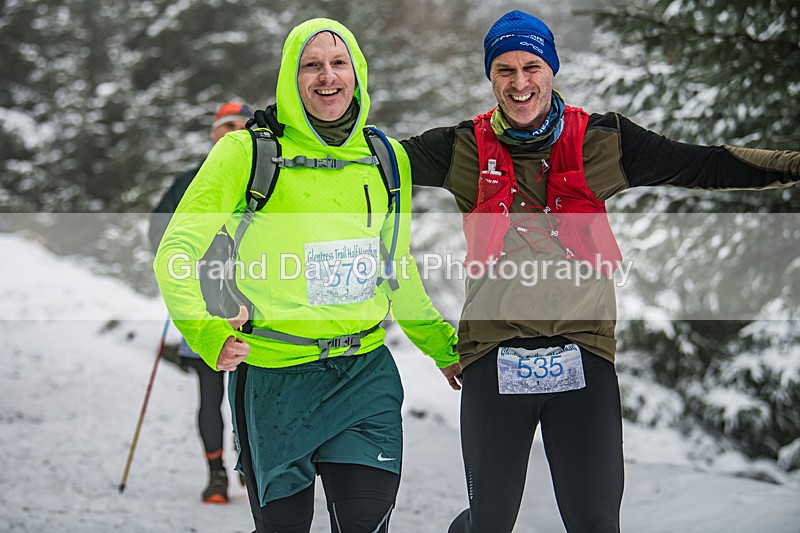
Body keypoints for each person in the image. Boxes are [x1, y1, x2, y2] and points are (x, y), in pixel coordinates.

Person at [400, 9, 800, 533]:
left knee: (594, 521)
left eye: (532, 67)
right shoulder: (460, 147)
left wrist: (792, 164)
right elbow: (369, 160)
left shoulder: (604, 142)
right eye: (504, 70)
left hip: (582, 355)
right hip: (493, 357)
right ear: (490, 76)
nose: (520, 83)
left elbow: (704, 164)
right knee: (490, 521)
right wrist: (271, 134)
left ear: (552, 69)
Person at [154, 18, 461, 533]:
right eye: (311, 65)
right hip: (274, 378)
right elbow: (177, 250)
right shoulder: (246, 153)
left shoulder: (385, 158)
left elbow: (396, 266)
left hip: (363, 374)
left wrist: (441, 345)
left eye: (339, 63)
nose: (327, 76)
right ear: (290, 78)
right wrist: (205, 330)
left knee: (366, 522)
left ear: (358, 73)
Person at [148, 100, 253, 504]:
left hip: (255, 302)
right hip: (205, 302)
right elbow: (158, 231)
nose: (232, 132)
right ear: (214, 133)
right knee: (211, 393)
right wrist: (177, 268)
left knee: (249, 389)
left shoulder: (265, 176)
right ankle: (216, 475)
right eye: (225, 126)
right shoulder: (188, 181)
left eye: (240, 125)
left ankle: (247, 460)